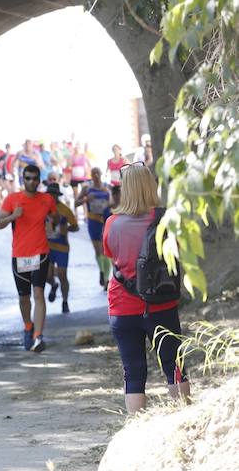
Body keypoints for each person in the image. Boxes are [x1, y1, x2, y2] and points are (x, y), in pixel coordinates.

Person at [103, 163, 190, 414]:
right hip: (160, 303)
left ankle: (136, 428)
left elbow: (113, 258)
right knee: (174, 365)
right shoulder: (165, 219)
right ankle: (182, 419)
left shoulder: (112, 223)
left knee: (133, 370)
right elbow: (178, 254)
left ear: (125, 190)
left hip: (122, 306)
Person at [0, 164, 57, 352]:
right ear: (23, 179)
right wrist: (13, 216)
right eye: (28, 178)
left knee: (38, 293)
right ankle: (27, 327)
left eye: (34, 178)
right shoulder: (12, 199)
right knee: (24, 298)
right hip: (20, 255)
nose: (31, 181)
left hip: (40, 252)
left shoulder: (46, 199)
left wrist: (51, 223)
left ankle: (38, 336)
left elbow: (55, 216)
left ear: (39, 180)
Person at [74, 167, 113, 289]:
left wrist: (110, 199)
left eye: (98, 173)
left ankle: (106, 278)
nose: (96, 175)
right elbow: (76, 203)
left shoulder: (108, 186)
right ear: (91, 175)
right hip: (93, 220)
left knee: (105, 249)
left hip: (105, 220)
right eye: (93, 173)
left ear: (101, 174)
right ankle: (102, 271)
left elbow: (116, 202)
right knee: (97, 250)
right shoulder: (87, 188)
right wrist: (86, 199)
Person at [44, 182, 79, 313]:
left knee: (63, 275)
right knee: (47, 275)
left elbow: (76, 226)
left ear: (57, 195)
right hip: (46, 247)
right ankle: (53, 285)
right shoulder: (42, 208)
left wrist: (67, 228)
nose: (51, 197)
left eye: (53, 194)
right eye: (49, 194)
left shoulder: (65, 210)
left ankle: (65, 302)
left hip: (62, 248)